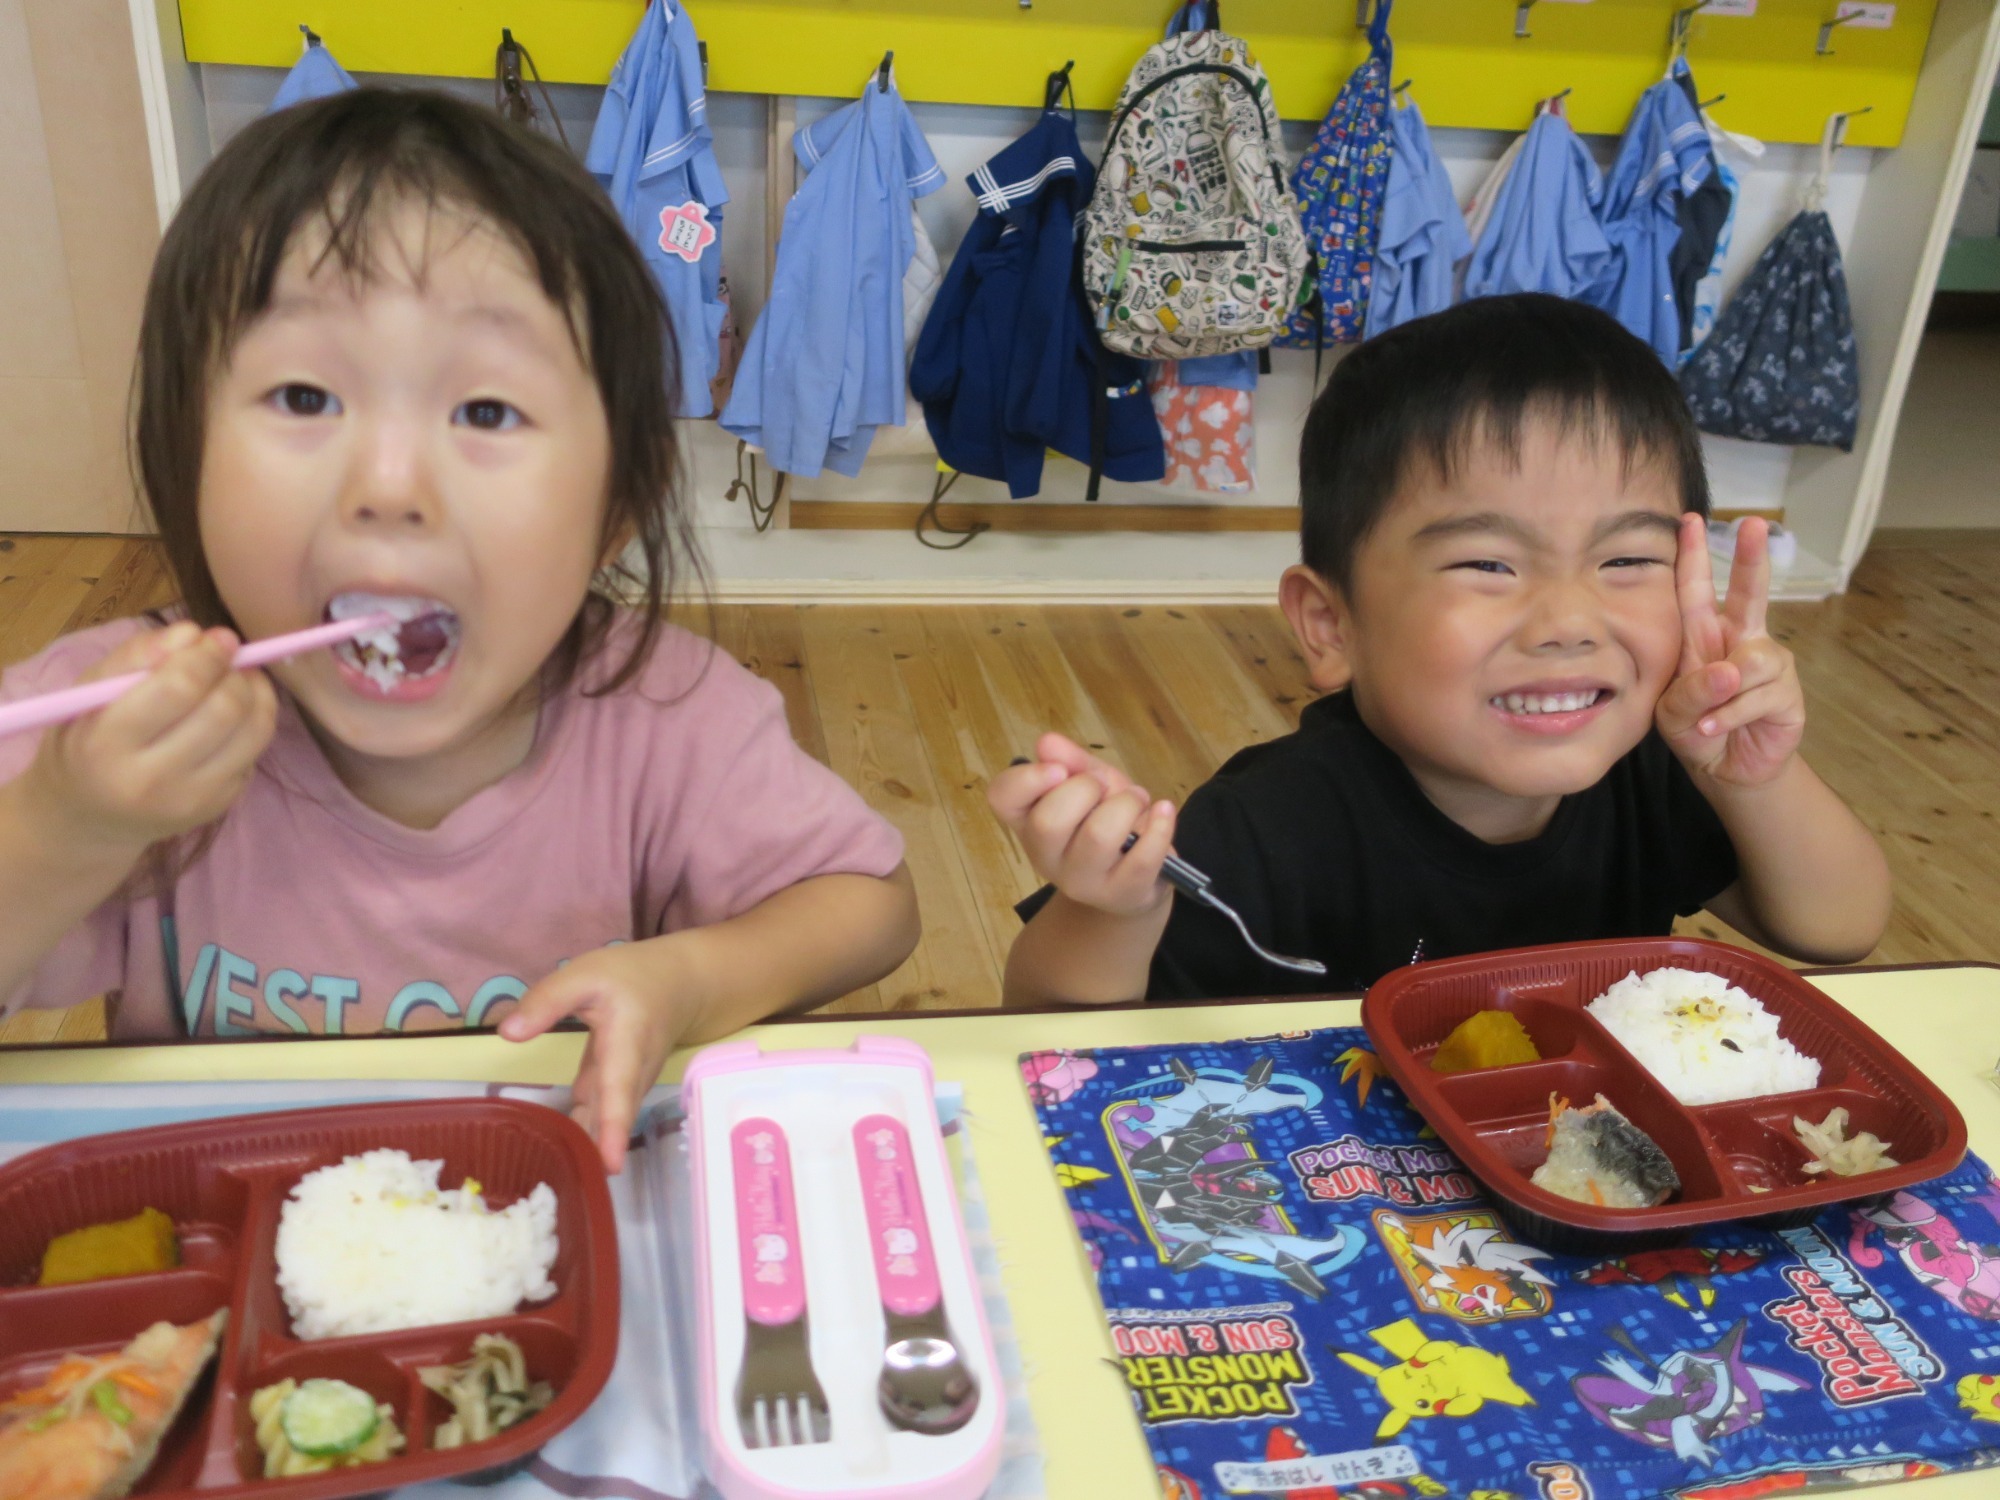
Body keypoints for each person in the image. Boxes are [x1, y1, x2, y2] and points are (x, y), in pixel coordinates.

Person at [0, 91, 919, 1170]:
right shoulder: (108, 721)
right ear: (182, 450)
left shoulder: (663, 715)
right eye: (302, 395)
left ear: (614, 510)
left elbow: (871, 908)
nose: (388, 487)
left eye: (485, 412)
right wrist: (69, 821)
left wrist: (690, 978)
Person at [988, 294, 1889, 1006]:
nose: (1569, 619)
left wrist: (1751, 779)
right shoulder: (1269, 828)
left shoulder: (1656, 774)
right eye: (1489, 562)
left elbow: (1838, 928)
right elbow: (1049, 1028)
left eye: (1628, 559)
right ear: (1331, 626)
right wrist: (1114, 911)